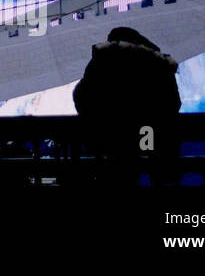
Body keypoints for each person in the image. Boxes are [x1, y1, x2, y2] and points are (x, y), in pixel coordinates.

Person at [72, 26, 181, 185]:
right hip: (148, 138)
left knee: (121, 155)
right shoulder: (158, 63)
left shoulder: (102, 60)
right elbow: (173, 103)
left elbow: (82, 96)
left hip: (110, 137)